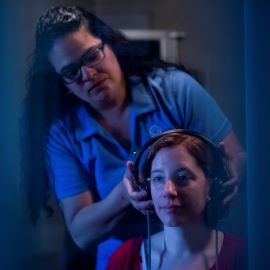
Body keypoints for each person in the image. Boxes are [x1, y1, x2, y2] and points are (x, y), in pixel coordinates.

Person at [22, 5, 245, 270]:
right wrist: (124, 196)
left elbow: (235, 157)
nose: (88, 75)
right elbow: (81, 232)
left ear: (110, 44)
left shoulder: (176, 90)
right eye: (71, 72)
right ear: (62, 82)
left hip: (203, 251)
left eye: (92, 56)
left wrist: (236, 170)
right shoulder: (63, 135)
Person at [107, 131, 247, 269]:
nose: (168, 190)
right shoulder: (125, 259)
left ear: (212, 184)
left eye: (182, 177)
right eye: (158, 178)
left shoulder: (243, 255)